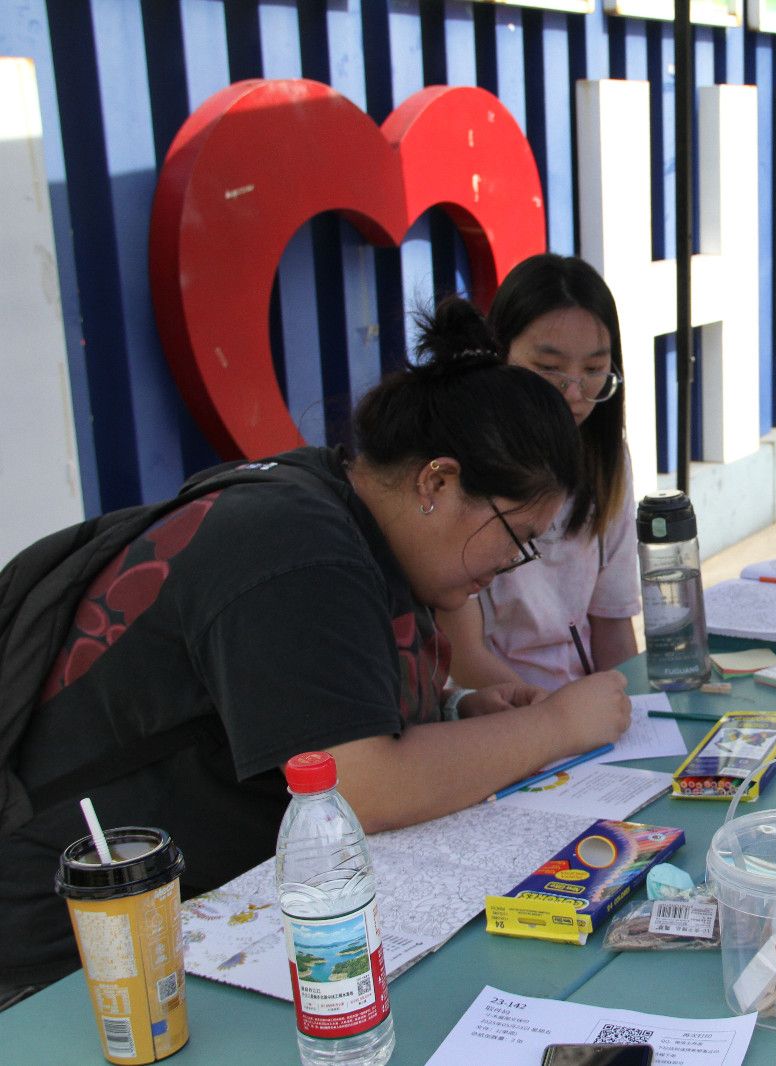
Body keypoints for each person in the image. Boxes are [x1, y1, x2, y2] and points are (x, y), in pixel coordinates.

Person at [0, 297, 632, 1002]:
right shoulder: (295, 547)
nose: (509, 566)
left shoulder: (341, 510)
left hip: (200, 927)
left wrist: (458, 714)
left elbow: (307, 715)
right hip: (74, 957)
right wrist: (555, 726)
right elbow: (358, 786)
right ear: (437, 482)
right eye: (515, 537)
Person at [438, 254, 640, 690]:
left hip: (581, 707)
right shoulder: (459, 469)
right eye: (549, 368)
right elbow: (465, 656)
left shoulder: (607, 461)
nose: (573, 392)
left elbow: (612, 623)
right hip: (495, 709)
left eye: (593, 370)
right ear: (498, 355)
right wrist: (557, 719)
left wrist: (632, 706)